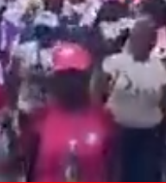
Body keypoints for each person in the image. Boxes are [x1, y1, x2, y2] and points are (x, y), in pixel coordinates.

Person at [25, 42, 116, 182]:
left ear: (86, 78)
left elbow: (113, 169)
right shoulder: (39, 120)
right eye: (64, 75)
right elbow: (29, 170)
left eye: (76, 75)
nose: (71, 82)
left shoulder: (103, 119)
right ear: (55, 79)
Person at [99, 18, 166, 181]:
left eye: (147, 38)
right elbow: (98, 91)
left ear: (152, 42)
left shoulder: (159, 68)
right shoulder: (115, 63)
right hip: (117, 131)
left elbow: (164, 103)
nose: (142, 41)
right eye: (137, 36)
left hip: (147, 134)